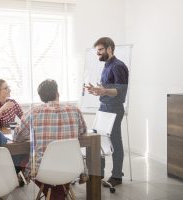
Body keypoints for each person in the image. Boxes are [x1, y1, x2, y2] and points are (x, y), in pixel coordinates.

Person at [13, 79, 87, 200]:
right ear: (57, 93)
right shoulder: (75, 110)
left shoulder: (33, 112)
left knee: (22, 159)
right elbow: (83, 132)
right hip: (72, 166)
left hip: (43, 170)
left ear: (41, 97)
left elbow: (17, 137)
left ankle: (55, 194)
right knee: (59, 180)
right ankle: (59, 193)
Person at [85, 37, 129, 187]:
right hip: (104, 108)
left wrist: (103, 90)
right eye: (97, 50)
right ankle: (99, 173)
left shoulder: (118, 66)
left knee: (115, 141)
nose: (98, 53)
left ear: (109, 49)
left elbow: (120, 91)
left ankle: (117, 176)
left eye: (100, 50)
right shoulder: (107, 66)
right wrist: (98, 90)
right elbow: (107, 89)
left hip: (114, 109)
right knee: (98, 139)